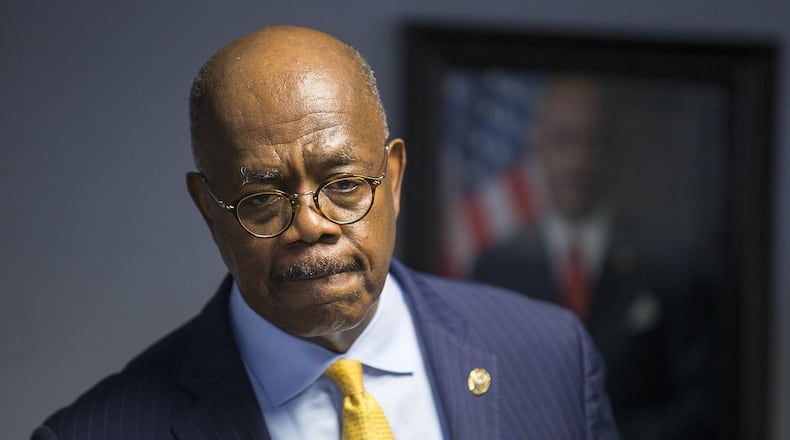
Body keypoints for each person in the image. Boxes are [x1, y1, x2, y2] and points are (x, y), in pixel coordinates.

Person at [32, 26, 619, 439]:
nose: (311, 225)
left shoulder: (552, 358)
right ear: (209, 210)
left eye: (343, 184)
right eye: (263, 199)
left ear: (393, 178)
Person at [473, 77, 718, 439]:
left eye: (592, 143)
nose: (577, 161)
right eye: (564, 140)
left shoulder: (669, 269)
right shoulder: (497, 268)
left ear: (612, 151)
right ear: (538, 147)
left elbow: (697, 406)